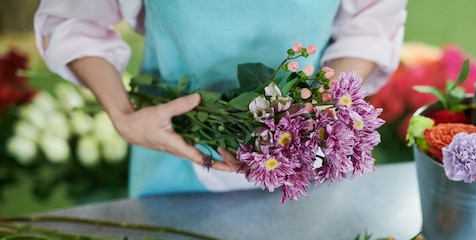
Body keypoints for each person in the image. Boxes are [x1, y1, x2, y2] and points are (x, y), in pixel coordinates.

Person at [34, 1, 408, 198]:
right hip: (173, 149)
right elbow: (74, 18)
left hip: (305, 156)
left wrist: (321, 110)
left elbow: (370, 21)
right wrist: (122, 114)